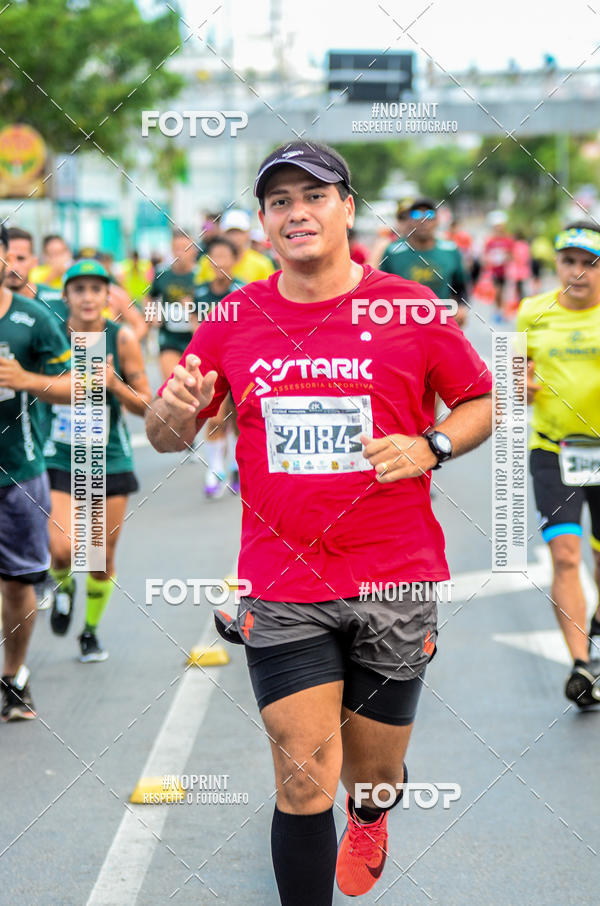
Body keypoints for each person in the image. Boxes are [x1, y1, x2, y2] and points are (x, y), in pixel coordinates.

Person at [146, 140, 493, 905]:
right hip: (282, 578)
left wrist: (429, 445)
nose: (296, 212)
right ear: (265, 222)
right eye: (279, 201)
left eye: (313, 195)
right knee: (304, 775)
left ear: (346, 207)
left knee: (371, 775)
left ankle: (371, 813)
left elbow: (479, 401)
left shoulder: (406, 306)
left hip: (393, 574)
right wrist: (167, 418)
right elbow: (171, 432)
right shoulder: (235, 315)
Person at [44, 260, 151, 662]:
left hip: (110, 461)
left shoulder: (121, 338)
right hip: (59, 457)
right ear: (67, 295)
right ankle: (63, 588)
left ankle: (89, 632)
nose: (88, 297)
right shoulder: (51, 335)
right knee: (62, 548)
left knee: (99, 557)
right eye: (79, 289)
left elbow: (147, 406)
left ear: (108, 296)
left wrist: (114, 385)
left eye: (96, 289)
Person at [517, 222, 600, 705]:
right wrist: (519, 387)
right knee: (566, 555)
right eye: (569, 261)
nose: (578, 272)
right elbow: (511, 378)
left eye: (590, 263)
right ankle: (580, 665)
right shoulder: (533, 312)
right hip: (554, 452)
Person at [0, 223, 71, 721]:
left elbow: (80, 385)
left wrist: (27, 379)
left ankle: (15, 673)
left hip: (18, 476)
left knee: (17, 583)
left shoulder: (33, 318)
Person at [193, 236, 245, 498]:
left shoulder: (244, 290)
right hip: (213, 365)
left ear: (235, 260)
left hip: (241, 363)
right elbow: (195, 328)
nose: (220, 262)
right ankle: (214, 470)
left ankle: (236, 467)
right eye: (215, 256)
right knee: (214, 417)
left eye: (225, 256)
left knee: (237, 421)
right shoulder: (200, 292)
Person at [378, 199, 470, 328]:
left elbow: (460, 286)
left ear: (437, 221)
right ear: (409, 220)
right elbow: (382, 292)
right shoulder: (394, 252)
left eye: (429, 215)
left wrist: (461, 308)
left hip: (441, 324)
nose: (423, 221)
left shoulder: (450, 250)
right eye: (416, 215)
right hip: (404, 326)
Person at [146, 229, 199, 382]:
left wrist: (193, 308)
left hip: (194, 337)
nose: (180, 253)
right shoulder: (162, 274)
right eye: (176, 248)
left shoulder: (201, 275)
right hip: (169, 336)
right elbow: (149, 297)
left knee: (192, 385)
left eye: (185, 249)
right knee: (173, 382)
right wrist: (152, 315)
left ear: (194, 250)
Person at [195, 209, 275, 285]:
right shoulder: (207, 262)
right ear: (222, 234)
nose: (235, 237)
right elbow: (199, 293)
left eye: (239, 232)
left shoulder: (262, 264)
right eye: (230, 232)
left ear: (248, 234)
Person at [484, 211, 514, 321]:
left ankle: (502, 312)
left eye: (500, 226)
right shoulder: (490, 241)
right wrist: (489, 261)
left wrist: (506, 256)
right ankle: (498, 310)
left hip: (505, 271)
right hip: (494, 271)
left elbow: (512, 256)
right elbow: (485, 256)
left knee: (504, 292)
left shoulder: (508, 239)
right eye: (496, 226)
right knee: (497, 291)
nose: (498, 228)